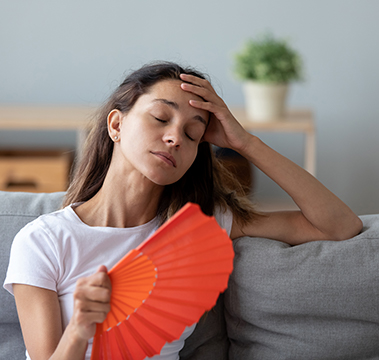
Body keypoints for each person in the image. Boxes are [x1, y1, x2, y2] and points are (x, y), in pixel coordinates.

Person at [3, 61, 362, 360]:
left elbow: (340, 225)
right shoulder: (42, 242)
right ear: (116, 124)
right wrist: (81, 330)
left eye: (193, 135)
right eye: (161, 118)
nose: (175, 138)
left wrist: (245, 142)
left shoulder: (200, 226)